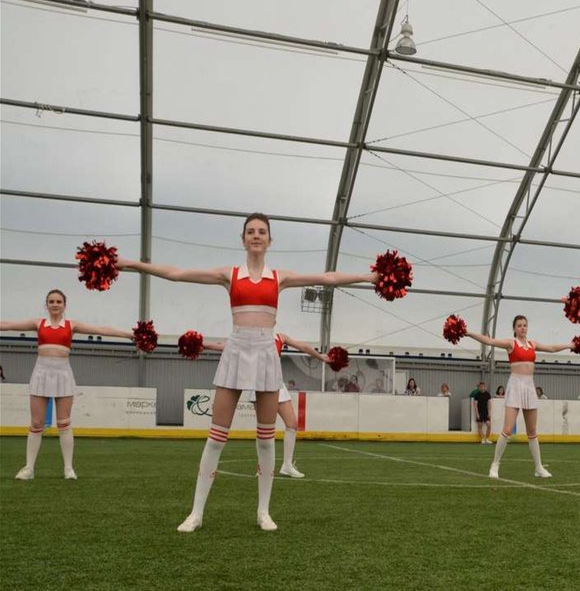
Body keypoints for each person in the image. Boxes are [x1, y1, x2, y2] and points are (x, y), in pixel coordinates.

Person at [119, 212, 378, 532]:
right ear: (243, 239)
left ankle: (263, 512)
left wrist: (368, 278)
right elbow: (176, 273)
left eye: (262, 232)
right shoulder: (229, 275)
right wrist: (131, 263)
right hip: (237, 351)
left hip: (266, 355)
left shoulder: (279, 277)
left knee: (266, 440)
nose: (256, 236)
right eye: (251, 231)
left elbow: (327, 278)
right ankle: (196, 513)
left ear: (270, 240)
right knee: (216, 438)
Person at [1, 288, 134, 480]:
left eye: (58, 301)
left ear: (64, 305)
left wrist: (127, 334)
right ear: (46, 304)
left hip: (63, 374)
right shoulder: (38, 323)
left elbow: (101, 330)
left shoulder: (72, 325)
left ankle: (68, 469)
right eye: (51, 301)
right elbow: (8, 325)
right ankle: (29, 468)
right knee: (36, 423)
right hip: (41, 374)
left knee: (64, 423)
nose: (55, 304)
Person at [461, 315, 571, 479]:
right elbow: (489, 341)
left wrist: (571, 345)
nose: (522, 328)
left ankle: (538, 467)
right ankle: (495, 464)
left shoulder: (533, 344)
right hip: (515, 386)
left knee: (532, 431)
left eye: (525, 325)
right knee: (507, 429)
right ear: (514, 328)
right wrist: (468, 333)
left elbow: (551, 348)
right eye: (519, 325)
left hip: (529, 387)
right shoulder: (510, 343)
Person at [204, 331, 327, 478]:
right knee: (265, 429)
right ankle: (262, 467)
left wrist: (322, 357)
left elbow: (303, 346)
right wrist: (204, 345)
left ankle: (287, 465)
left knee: (292, 423)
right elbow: (227, 346)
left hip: (275, 382)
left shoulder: (280, 336)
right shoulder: (252, 336)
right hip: (259, 383)